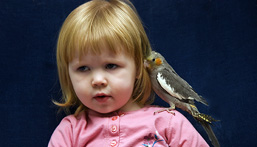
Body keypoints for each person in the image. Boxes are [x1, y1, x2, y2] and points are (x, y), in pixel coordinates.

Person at [48, 0, 209, 146]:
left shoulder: (168, 123)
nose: (97, 80)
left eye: (111, 66)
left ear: (138, 68)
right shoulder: (69, 132)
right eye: (83, 68)